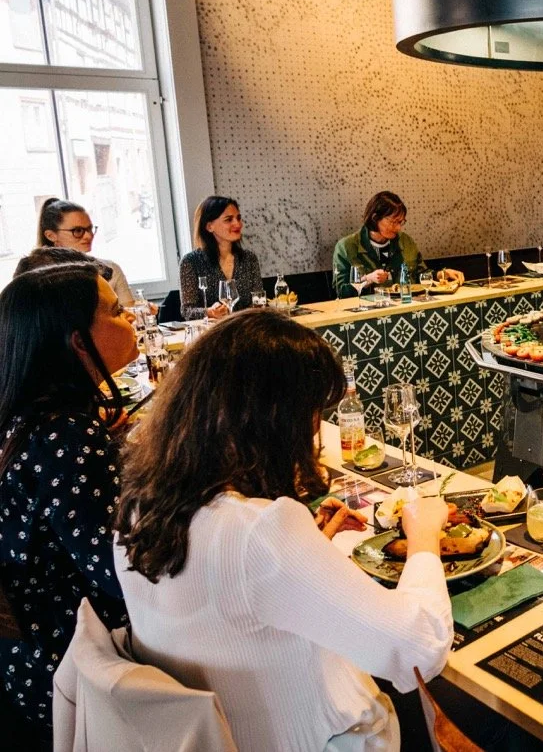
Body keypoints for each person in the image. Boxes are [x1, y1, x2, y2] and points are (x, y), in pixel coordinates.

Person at [113, 310, 453, 750]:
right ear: (270, 420)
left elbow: (232, 604)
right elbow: (419, 650)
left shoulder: (139, 505)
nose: (315, 427)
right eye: (311, 411)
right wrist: (424, 538)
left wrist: (309, 549)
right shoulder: (260, 533)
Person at [0, 262, 138, 741]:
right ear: (78, 341)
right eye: (117, 311)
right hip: (72, 675)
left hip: (27, 660)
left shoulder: (26, 418)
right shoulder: (67, 436)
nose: (132, 319)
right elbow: (125, 575)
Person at [332, 191, 463, 298]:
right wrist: (368, 279)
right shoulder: (346, 247)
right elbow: (341, 292)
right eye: (394, 222)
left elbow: (421, 274)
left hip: (406, 308)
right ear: (375, 218)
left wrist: (441, 274)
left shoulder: (405, 241)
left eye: (401, 222)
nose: (398, 228)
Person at [37, 197, 141, 308]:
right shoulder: (38, 279)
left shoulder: (109, 269)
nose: (89, 236)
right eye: (78, 231)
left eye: (90, 229)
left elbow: (130, 315)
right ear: (51, 235)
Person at [178, 196, 264, 321]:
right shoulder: (190, 262)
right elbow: (187, 311)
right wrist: (209, 312)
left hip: (245, 330)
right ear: (209, 227)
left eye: (238, 218)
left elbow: (258, 300)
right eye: (229, 219)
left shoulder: (249, 258)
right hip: (211, 333)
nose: (237, 223)